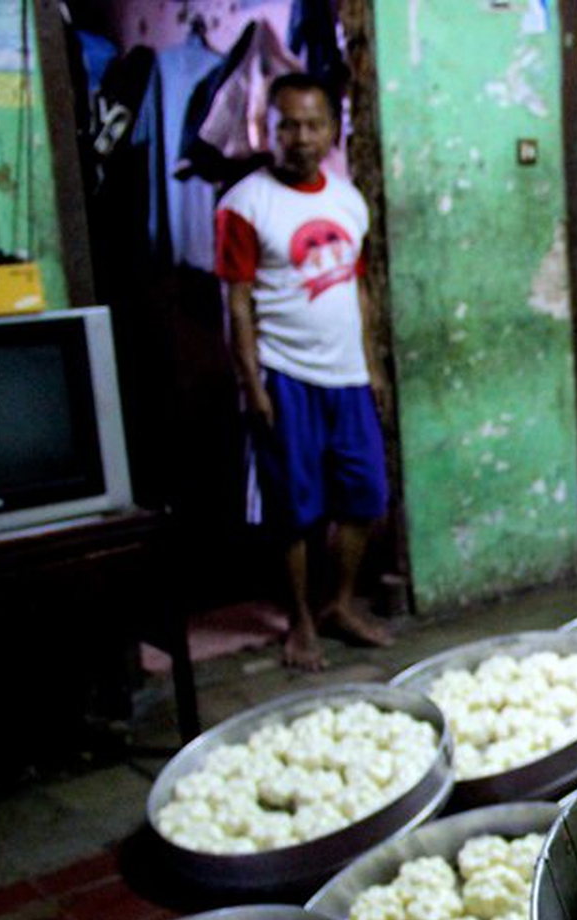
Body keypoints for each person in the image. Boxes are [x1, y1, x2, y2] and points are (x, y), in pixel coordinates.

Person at [217, 72, 392, 671]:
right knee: (294, 511)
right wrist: (252, 384)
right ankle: (299, 621)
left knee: (366, 497)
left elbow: (357, 290)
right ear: (267, 129)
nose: (301, 136)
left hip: (347, 378)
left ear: (332, 130)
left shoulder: (347, 199)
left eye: (314, 124)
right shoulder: (245, 203)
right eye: (287, 124)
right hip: (285, 377)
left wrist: (371, 367)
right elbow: (237, 304)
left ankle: (337, 604)